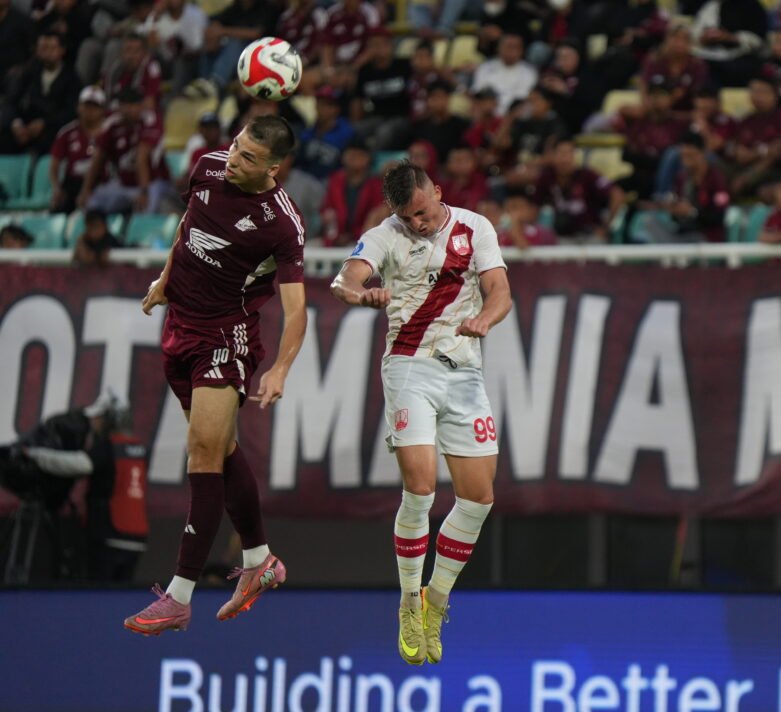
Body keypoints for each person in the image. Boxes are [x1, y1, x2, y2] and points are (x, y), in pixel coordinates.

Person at [124, 115, 308, 635]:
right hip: (179, 328)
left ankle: (179, 596)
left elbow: (297, 310)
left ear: (273, 168)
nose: (233, 160)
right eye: (236, 146)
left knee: (202, 453)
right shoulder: (207, 165)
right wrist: (165, 279)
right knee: (221, 451)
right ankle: (260, 560)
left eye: (248, 157)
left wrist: (281, 368)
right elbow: (188, 228)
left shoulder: (282, 223)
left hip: (226, 336)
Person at [329, 160, 511, 666]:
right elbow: (344, 279)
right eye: (407, 217)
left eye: (422, 212)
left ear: (437, 191)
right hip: (410, 366)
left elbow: (500, 291)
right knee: (421, 487)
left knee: (478, 499)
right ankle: (409, 599)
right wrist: (360, 293)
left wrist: (485, 319)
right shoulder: (384, 235)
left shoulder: (476, 227)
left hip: (464, 370)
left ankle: (436, 599)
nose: (417, 223)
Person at [0, 391, 147, 582]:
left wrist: (35, 454)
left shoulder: (109, 447)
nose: (94, 423)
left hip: (110, 534)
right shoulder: (139, 449)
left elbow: (77, 464)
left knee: (98, 593)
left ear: (110, 420)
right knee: (120, 595)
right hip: (136, 537)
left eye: (99, 418)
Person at [49, 85, 107, 213]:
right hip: (73, 182)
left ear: (102, 110)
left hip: (101, 182)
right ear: (78, 107)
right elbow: (54, 166)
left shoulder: (110, 132)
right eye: (86, 106)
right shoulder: (67, 132)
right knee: (58, 206)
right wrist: (56, 188)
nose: (89, 111)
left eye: (94, 107)